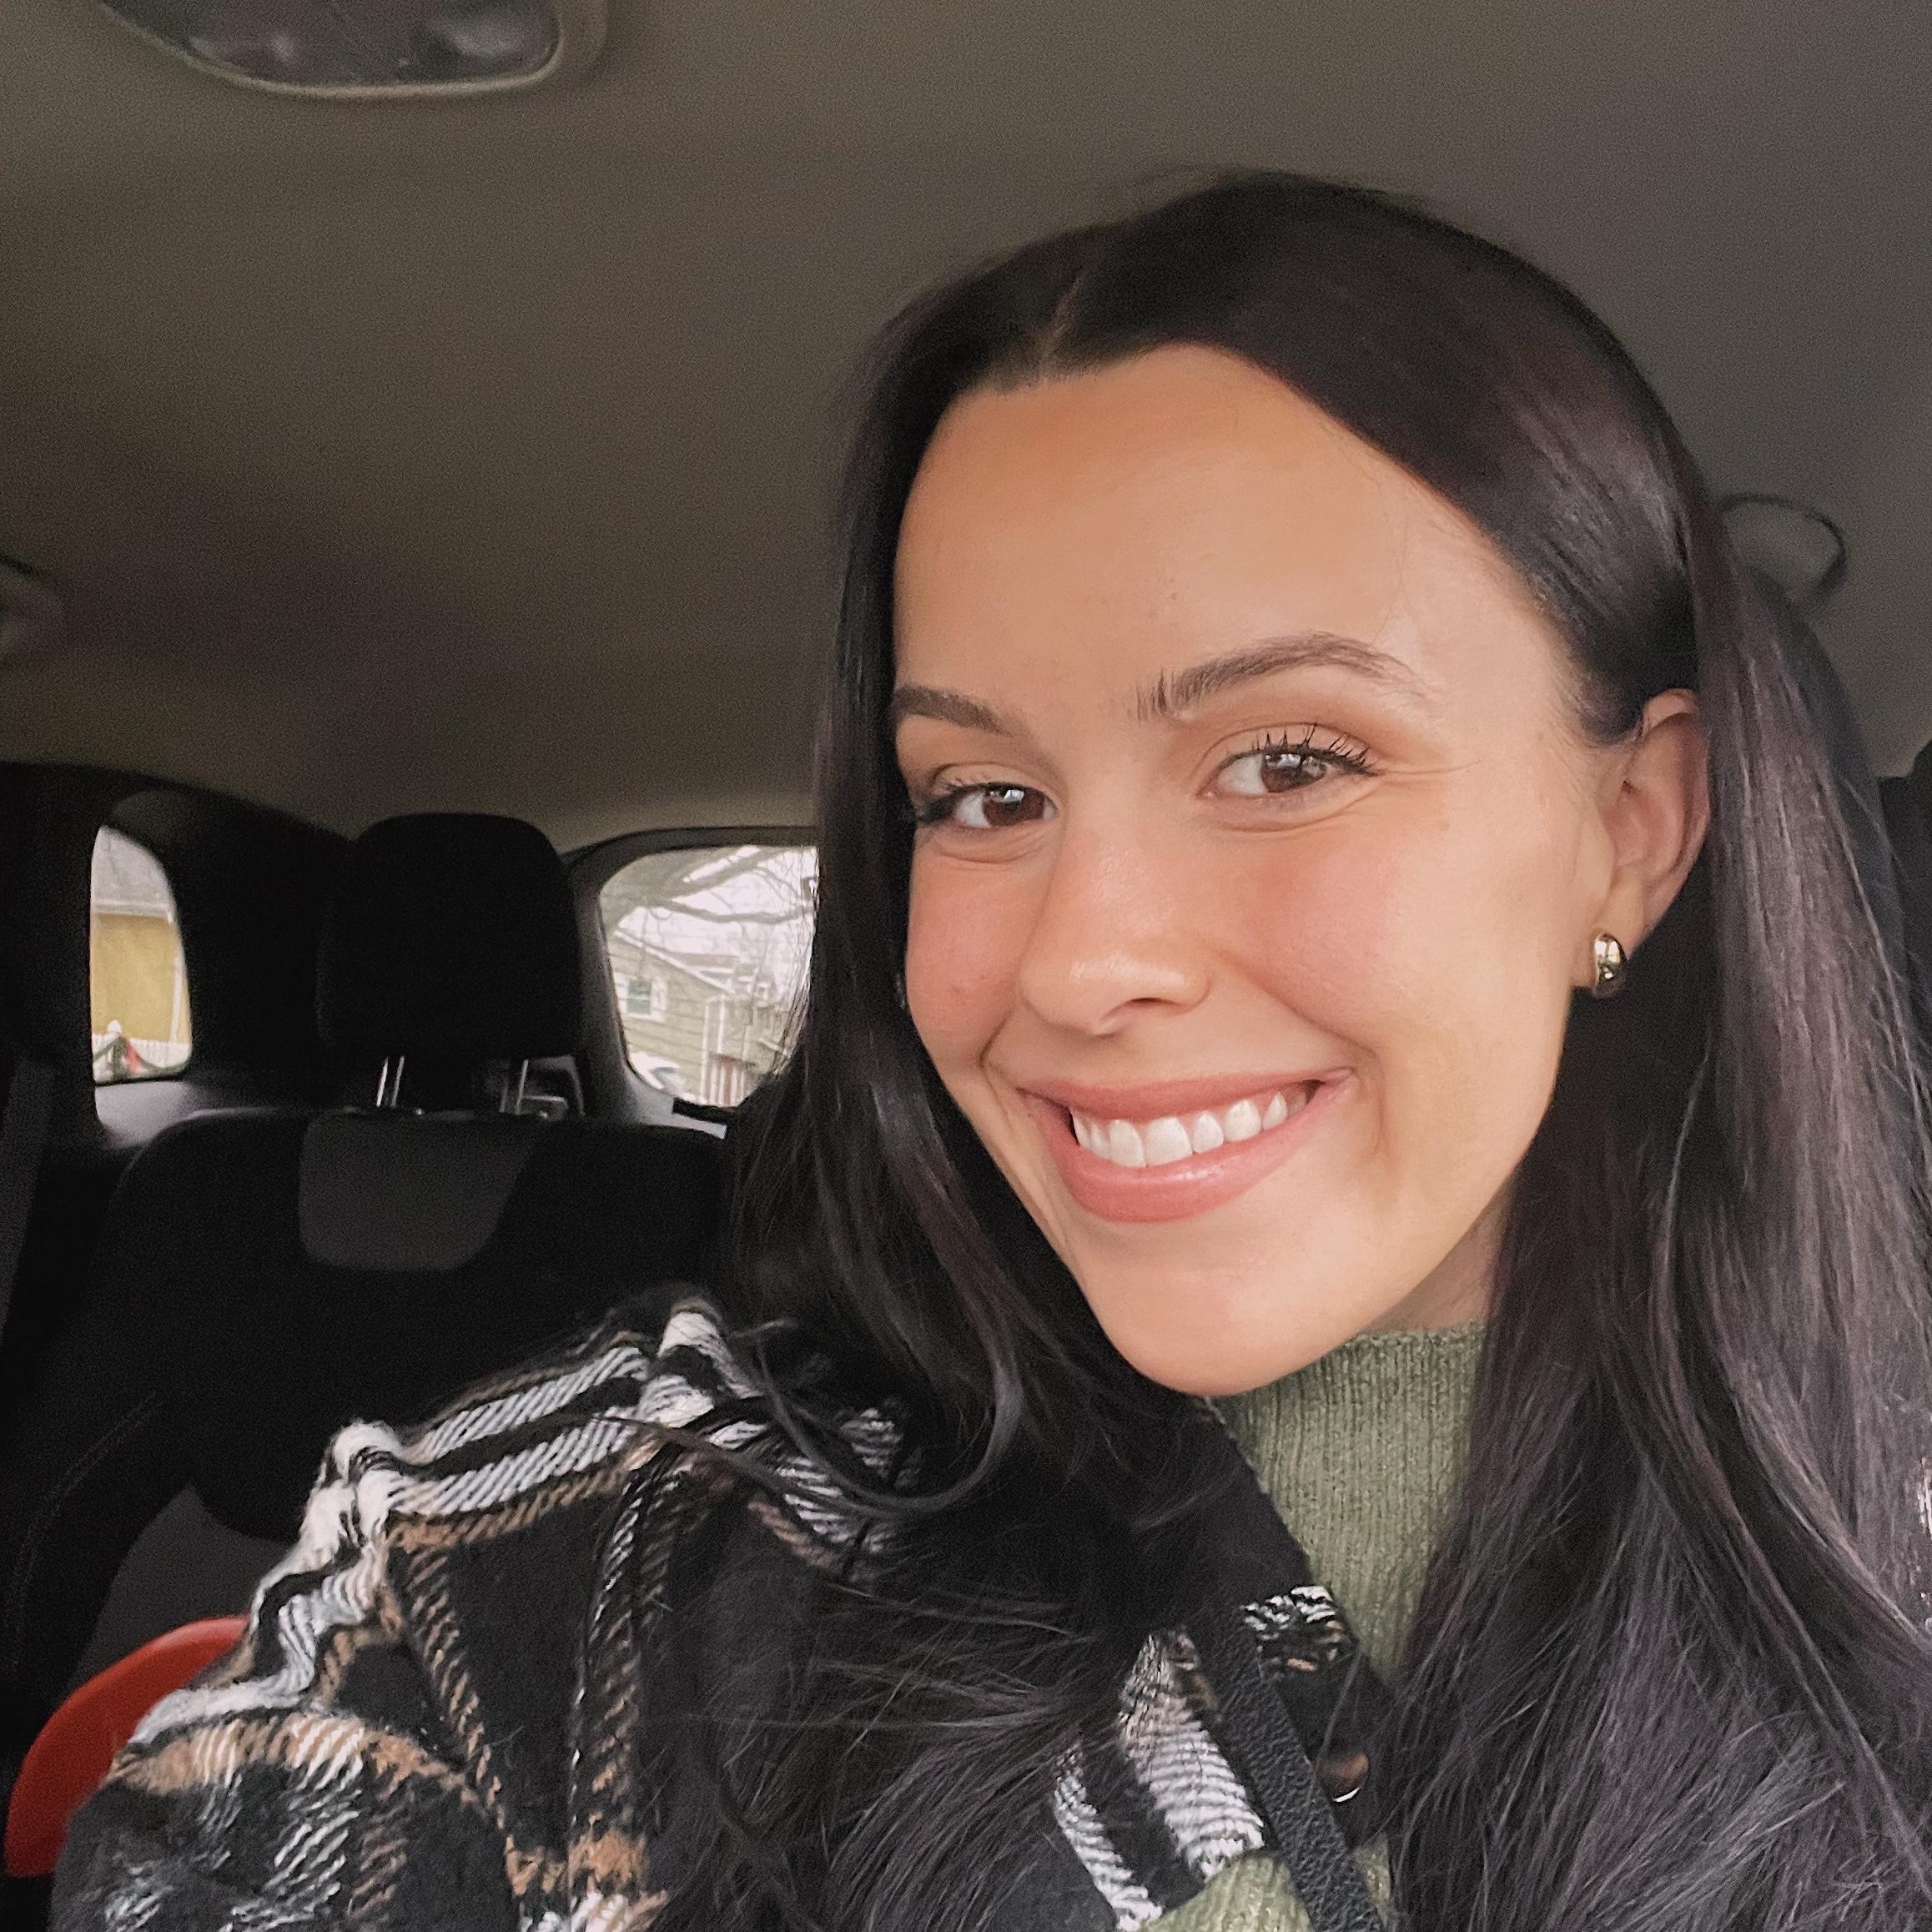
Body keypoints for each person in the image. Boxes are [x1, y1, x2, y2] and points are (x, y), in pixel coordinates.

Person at [53, 174, 1932, 1932]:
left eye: (1288, 759)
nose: (1081, 961)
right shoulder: (587, 1560)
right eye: (983, 795)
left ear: (1633, 830)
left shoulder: (1882, 1554)